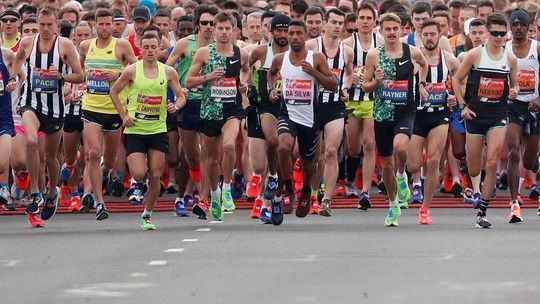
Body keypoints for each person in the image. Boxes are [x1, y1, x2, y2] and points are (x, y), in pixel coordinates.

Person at [9, 6, 84, 227]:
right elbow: (17, 61)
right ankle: (35, 192)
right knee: (31, 142)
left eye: (49, 25)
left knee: (50, 157)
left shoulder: (65, 45)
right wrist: (12, 78)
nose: (45, 29)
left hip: (55, 107)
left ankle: (52, 192)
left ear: (57, 26)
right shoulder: (27, 42)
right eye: (41, 24)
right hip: (30, 102)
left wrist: (61, 76)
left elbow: (80, 75)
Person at [111, 33, 186, 230]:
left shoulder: (168, 71)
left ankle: (147, 214)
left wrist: (175, 107)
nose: (150, 50)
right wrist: (123, 116)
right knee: (138, 173)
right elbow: (114, 92)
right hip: (136, 129)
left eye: (154, 47)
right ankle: (138, 185)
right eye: (146, 47)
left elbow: (181, 96)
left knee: (155, 175)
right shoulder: (131, 70)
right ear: (141, 49)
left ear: (159, 49)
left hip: (158, 129)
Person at [453, 13, 519, 229]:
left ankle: (482, 211)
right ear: (488, 33)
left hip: (498, 115)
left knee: (491, 162)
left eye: (503, 33)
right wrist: (463, 106)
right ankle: (470, 177)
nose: (499, 37)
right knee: (474, 169)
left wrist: (514, 92)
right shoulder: (474, 55)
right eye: (495, 33)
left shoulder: (510, 59)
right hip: (475, 115)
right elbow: (456, 79)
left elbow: (514, 85)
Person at [268, 20, 338, 223]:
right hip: (287, 113)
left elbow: (333, 85)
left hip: (309, 117)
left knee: (309, 163)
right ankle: (289, 188)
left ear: (306, 35)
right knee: (283, 147)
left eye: (299, 33)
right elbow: (271, 74)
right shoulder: (280, 59)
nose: (295, 37)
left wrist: (314, 73)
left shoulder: (316, 58)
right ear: (287, 36)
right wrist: (273, 89)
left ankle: (306, 189)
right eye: (291, 33)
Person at [362, 13, 428, 227]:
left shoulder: (413, 52)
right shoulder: (374, 55)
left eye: (395, 29)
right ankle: (392, 205)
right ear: (380, 31)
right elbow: (365, 86)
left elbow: (424, 64)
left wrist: (421, 84)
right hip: (382, 113)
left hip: (404, 110)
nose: (391, 33)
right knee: (386, 165)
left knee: (400, 148)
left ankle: (402, 176)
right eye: (387, 29)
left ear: (402, 30)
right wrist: (376, 82)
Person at [185, 12, 250, 222]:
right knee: (211, 160)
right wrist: (208, 77)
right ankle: (214, 195)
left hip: (232, 109)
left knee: (229, 146)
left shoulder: (241, 53)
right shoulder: (204, 53)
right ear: (213, 30)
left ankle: (228, 188)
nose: (223, 32)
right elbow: (188, 82)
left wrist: (243, 85)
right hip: (210, 111)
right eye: (220, 28)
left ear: (234, 31)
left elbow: (246, 72)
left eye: (227, 28)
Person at [78, 8, 138, 217]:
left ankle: (104, 175)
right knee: (93, 154)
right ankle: (99, 202)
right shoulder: (86, 46)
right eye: (100, 24)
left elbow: (137, 70)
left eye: (108, 24)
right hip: (91, 107)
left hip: (114, 110)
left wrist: (117, 74)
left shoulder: (121, 45)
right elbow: (81, 73)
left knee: (109, 161)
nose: (104, 28)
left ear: (114, 25)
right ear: (95, 25)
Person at [165, 4, 219, 218]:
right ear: (198, 24)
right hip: (188, 104)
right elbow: (168, 69)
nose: (208, 27)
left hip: (211, 102)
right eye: (204, 22)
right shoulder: (184, 43)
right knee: (191, 157)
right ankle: (192, 194)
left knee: (208, 153)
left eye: (212, 23)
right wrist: (179, 89)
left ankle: (205, 199)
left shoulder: (220, 45)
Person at [407, 18, 460, 224]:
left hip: (440, 114)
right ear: (421, 36)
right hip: (417, 115)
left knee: (434, 160)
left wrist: (455, 95)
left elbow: (463, 79)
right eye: (425, 34)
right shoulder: (413, 58)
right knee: (413, 164)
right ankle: (410, 177)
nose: (429, 38)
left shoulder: (449, 60)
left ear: (440, 35)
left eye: (433, 34)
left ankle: (425, 209)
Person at [306, 8, 353, 217]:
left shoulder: (347, 51)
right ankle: (313, 192)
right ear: (325, 24)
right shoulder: (311, 47)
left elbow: (349, 75)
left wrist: (345, 88)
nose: (337, 27)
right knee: (313, 156)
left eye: (340, 23)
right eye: (333, 22)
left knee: (331, 152)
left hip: (334, 106)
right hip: (312, 106)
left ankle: (326, 200)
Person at [246, 14, 291, 223]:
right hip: (265, 107)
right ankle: (269, 186)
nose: (283, 35)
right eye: (279, 31)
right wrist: (250, 88)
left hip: (291, 109)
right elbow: (246, 69)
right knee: (272, 144)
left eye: (286, 31)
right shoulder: (261, 51)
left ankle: (274, 199)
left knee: (287, 154)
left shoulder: (296, 53)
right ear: (270, 32)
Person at [343, 3, 382, 210]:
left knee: (369, 143)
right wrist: (351, 75)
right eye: (362, 18)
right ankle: (350, 180)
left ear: (375, 22)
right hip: (352, 100)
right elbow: (340, 70)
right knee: (353, 148)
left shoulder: (382, 43)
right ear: (356, 21)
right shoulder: (347, 44)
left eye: (369, 18)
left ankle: (365, 191)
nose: (365, 22)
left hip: (374, 101)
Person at [505, 10, 540, 223]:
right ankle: (514, 201)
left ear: (528, 27)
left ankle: (534, 162)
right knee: (513, 151)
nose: (519, 28)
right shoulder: (504, 48)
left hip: (534, 107)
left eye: (522, 25)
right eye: (515, 24)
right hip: (512, 107)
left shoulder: (536, 47)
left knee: (528, 159)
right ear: (510, 27)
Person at [0, 45, 17, 205]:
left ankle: (5, 185)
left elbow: (21, 74)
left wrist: (12, 82)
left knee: (2, 164)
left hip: (3, 116)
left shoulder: (7, 54)